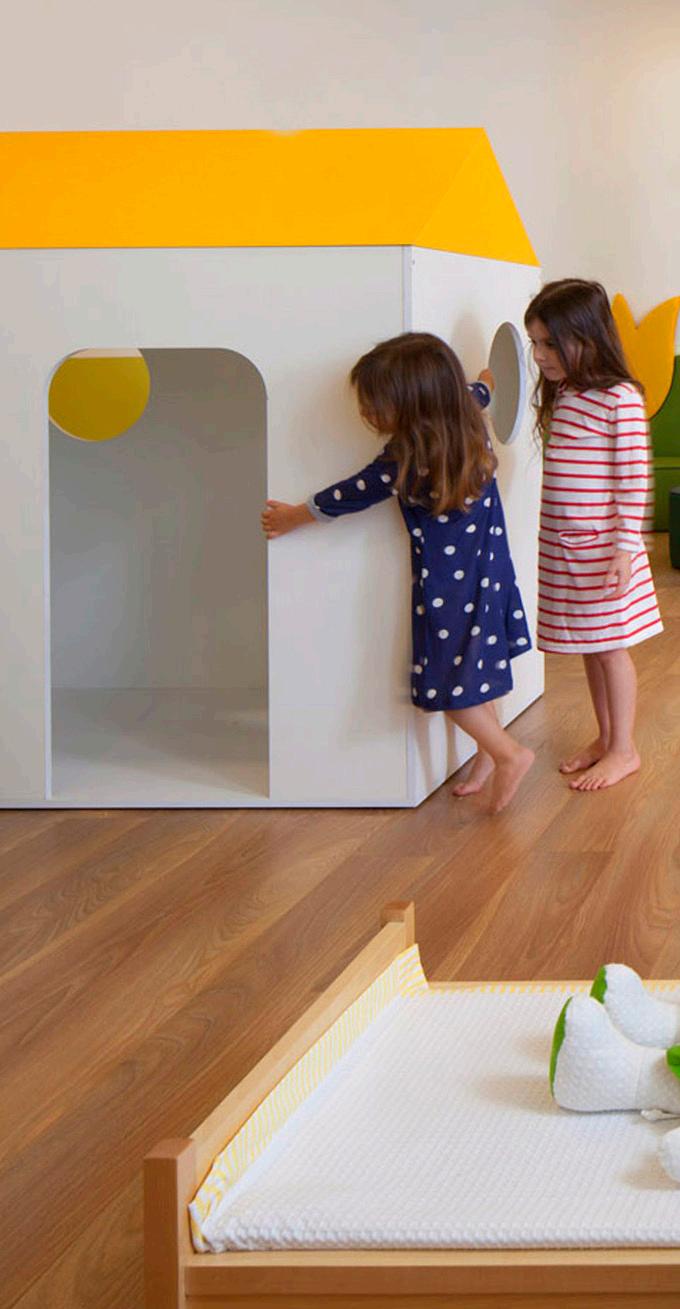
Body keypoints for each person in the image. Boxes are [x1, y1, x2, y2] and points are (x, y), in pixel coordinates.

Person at [261, 331, 534, 813]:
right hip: (490, 570)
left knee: (451, 686)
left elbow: (346, 495)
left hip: (449, 586)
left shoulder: (405, 456)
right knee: (475, 668)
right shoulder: (467, 412)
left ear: (413, 406)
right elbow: (482, 387)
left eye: (375, 405)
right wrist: (488, 378)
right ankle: (489, 755)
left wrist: (292, 517)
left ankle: (510, 754)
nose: (367, 414)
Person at [525, 280, 663, 792]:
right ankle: (606, 738)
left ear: (587, 337)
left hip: (603, 552)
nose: (540, 355)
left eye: (550, 343)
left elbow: (632, 478)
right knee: (590, 644)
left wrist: (625, 550)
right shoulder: (567, 392)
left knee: (610, 649)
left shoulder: (618, 398)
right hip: (564, 546)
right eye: (535, 343)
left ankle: (624, 749)